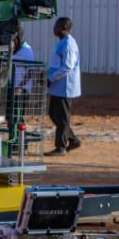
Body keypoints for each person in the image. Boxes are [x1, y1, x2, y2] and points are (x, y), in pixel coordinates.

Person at [46, 17, 81, 155]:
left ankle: (61, 147)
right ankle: (73, 139)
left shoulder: (68, 44)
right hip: (57, 86)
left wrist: (51, 78)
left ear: (63, 28)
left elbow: (67, 66)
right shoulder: (62, 42)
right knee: (53, 114)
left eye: (56, 26)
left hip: (65, 86)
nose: (53, 28)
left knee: (62, 117)